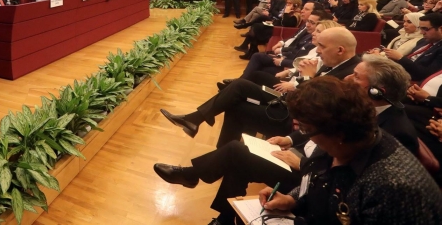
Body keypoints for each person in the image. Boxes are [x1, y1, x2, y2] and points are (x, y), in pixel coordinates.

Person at [152, 56, 420, 225]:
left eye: (356, 76)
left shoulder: (394, 142)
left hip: (310, 180)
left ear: (377, 91)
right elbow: (326, 156)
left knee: (236, 152)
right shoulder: (355, 119)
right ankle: (224, 214)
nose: (348, 78)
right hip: (308, 178)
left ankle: (198, 180)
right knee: (239, 152)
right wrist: (291, 143)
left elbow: (342, 191)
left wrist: (302, 165)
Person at [258, 77, 442, 225]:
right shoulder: (343, 141)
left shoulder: (392, 188)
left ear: (338, 134)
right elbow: (318, 180)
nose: (306, 136)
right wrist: (292, 200)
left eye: (306, 129)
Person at [159, 28, 361, 148]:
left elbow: (312, 106)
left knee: (237, 95)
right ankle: (206, 129)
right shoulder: (333, 63)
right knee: (239, 90)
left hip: (289, 114)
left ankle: (199, 122)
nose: (317, 50)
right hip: (285, 100)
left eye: (322, 46)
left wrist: (308, 78)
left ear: (340, 49)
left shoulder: (350, 75)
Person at [234, 0, 305, 61]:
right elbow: (281, 21)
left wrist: (286, 13)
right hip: (277, 27)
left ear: (295, 5)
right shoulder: (291, 12)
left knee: (256, 28)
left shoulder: (296, 15)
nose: (287, 5)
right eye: (287, 3)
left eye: (289, 3)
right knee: (256, 27)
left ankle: (252, 51)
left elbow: (286, 24)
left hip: (279, 31)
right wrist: (273, 22)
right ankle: (252, 51)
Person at [384, 12, 442, 81]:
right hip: (399, 71)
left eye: (425, 29)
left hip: (411, 80)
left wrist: (400, 58)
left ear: (440, 29)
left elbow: (427, 74)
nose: (422, 32)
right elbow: (410, 58)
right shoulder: (423, 41)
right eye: (421, 28)